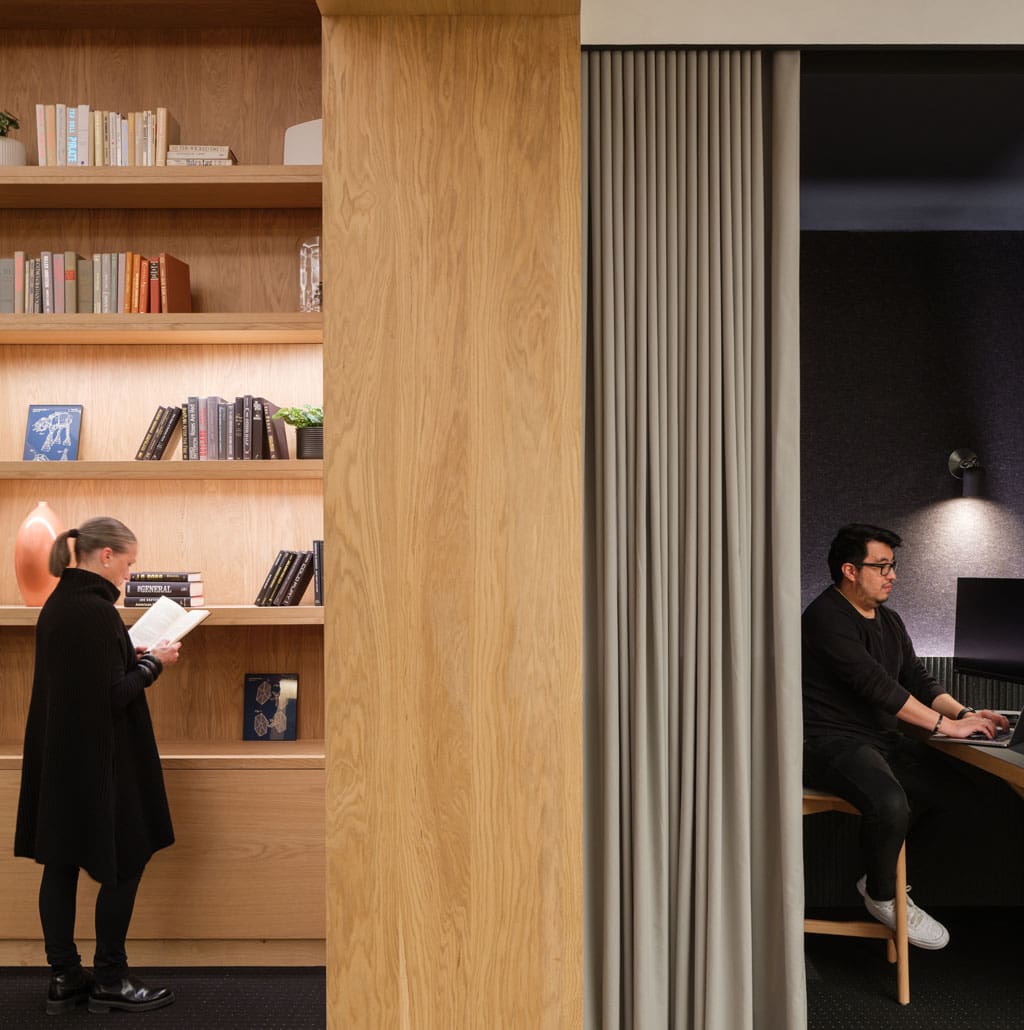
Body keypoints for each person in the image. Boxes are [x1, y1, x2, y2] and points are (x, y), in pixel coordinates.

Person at [802, 523, 1009, 950]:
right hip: (828, 743)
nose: (892, 575)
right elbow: (877, 686)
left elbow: (917, 679)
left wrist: (966, 713)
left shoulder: (890, 620)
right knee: (892, 802)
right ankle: (883, 896)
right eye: (881, 566)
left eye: (893, 566)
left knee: (965, 795)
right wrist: (946, 727)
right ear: (850, 570)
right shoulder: (825, 618)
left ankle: (880, 877)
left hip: (880, 739)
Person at [14, 517, 181, 1014]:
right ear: (105, 555)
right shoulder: (95, 612)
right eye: (129, 565)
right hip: (100, 762)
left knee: (61, 864)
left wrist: (130, 651)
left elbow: (86, 676)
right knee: (126, 860)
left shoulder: (61, 604)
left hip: (62, 760)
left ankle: (65, 977)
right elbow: (112, 694)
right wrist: (154, 664)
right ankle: (110, 977)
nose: (129, 575)